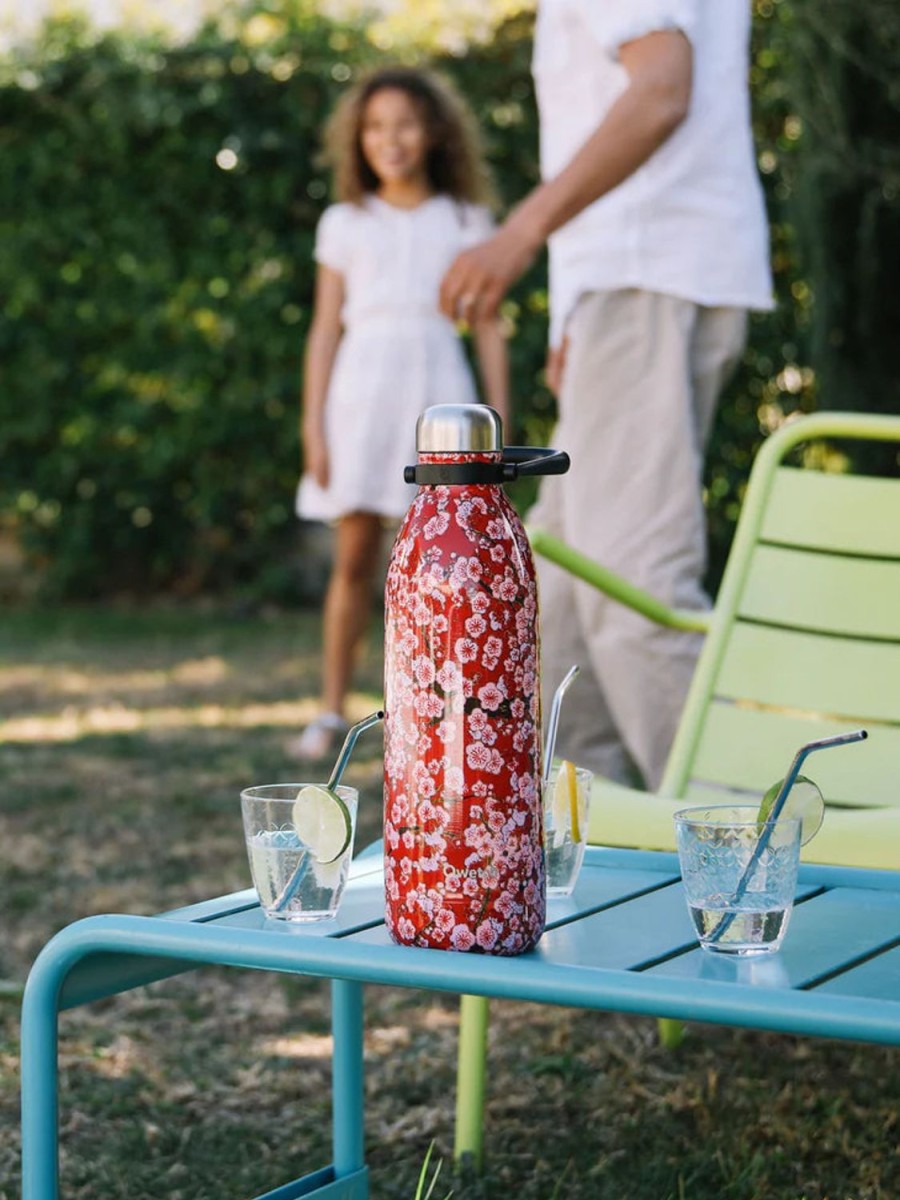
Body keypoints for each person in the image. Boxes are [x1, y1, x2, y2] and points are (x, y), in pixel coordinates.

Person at [440, 2, 772, 789]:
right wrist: (578, 307)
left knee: (633, 595)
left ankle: (749, 856)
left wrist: (519, 237)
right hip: (629, 287)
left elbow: (661, 88)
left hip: (645, 278)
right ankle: (586, 855)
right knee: (565, 597)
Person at [289, 65, 509, 761]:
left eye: (406, 123)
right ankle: (329, 708)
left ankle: (435, 708)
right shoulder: (345, 223)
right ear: (358, 138)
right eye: (376, 126)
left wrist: (498, 417)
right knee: (354, 555)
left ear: (434, 131)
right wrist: (312, 423)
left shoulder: (468, 220)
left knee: (444, 558)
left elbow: (490, 327)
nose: (391, 139)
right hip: (362, 395)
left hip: (439, 391)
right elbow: (325, 328)